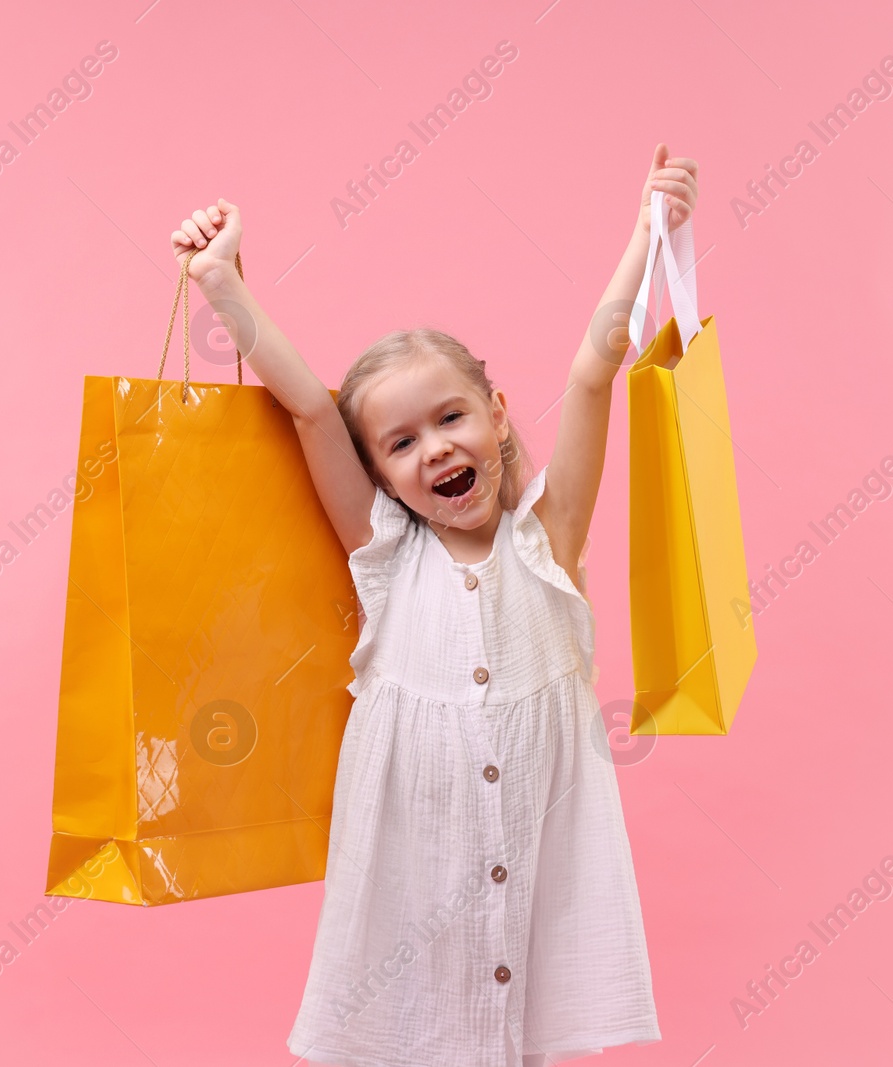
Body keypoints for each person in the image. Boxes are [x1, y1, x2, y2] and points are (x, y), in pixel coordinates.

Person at [169, 143, 698, 1067]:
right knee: (415, 1031)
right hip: (417, 870)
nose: (434, 450)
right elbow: (307, 407)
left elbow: (591, 368)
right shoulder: (383, 557)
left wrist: (649, 234)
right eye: (401, 441)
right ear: (379, 475)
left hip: (536, 851)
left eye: (451, 417)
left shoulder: (548, 539)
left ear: (496, 412)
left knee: (518, 1033)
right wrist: (224, 285)